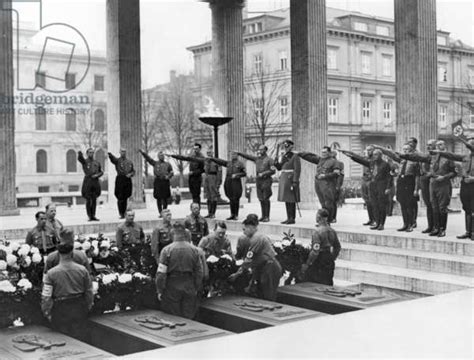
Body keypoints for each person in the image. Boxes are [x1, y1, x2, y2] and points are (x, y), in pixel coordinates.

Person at [41, 229, 93, 342]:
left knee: (61, 339)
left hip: (60, 306)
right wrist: (88, 305)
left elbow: (46, 294)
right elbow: (89, 289)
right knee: (81, 338)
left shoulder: (51, 266)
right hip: (79, 305)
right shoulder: (82, 264)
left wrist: (47, 311)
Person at [403, 140, 456, 237]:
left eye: (440, 144)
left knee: (442, 207)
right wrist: (404, 155)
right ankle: (435, 227)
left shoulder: (449, 157)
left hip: (443, 184)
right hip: (432, 183)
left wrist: (444, 177)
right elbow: (420, 161)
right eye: (437, 145)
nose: (438, 146)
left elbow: (454, 172)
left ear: (444, 146)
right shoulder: (431, 157)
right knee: (433, 206)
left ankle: (442, 229)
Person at [156, 221, 204, 319]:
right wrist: (196, 286)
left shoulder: (166, 250)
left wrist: (160, 290)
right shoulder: (194, 249)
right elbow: (199, 272)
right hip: (189, 285)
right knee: (189, 316)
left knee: (173, 317)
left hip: (172, 286)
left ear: (172, 233)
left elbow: (161, 274)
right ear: (185, 233)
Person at [228, 214, 282, 301]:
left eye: (244, 229)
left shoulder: (256, 239)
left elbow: (248, 260)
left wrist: (236, 274)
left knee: (268, 296)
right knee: (264, 293)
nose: (244, 232)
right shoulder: (258, 237)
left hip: (270, 268)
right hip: (266, 267)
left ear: (250, 228)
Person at [430, 136, 474, 240]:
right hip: (465, 184)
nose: (469, 146)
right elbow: (451, 155)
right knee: (467, 208)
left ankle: (473, 232)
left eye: (471, 144)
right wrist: (439, 152)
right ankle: (468, 231)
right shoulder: (465, 157)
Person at [374, 143, 420, 232]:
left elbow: (417, 176)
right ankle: (405, 224)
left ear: (411, 151)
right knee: (403, 204)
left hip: (409, 182)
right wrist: (395, 174)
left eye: (407, 149)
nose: (405, 151)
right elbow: (391, 154)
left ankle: (411, 224)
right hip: (401, 182)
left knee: (409, 205)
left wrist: (416, 189)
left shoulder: (415, 161)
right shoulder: (401, 160)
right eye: (404, 150)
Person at [400, 139, 437, 233]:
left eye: (430, 145)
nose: (428, 147)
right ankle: (430, 226)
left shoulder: (426, 156)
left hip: (431, 181)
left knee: (433, 205)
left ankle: (436, 227)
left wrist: (429, 174)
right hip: (423, 181)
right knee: (428, 204)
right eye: (427, 145)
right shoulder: (419, 156)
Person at [297, 146, 341, 223]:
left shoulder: (334, 162)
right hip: (318, 183)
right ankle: (324, 220)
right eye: (322, 152)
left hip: (328, 184)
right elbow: (310, 157)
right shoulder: (320, 160)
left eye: (325, 152)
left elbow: (337, 173)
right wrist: (299, 154)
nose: (323, 154)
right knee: (322, 203)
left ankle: (329, 220)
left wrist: (325, 176)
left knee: (328, 203)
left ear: (329, 153)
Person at [301, 209, 341, 286]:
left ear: (318, 217)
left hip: (320, 259)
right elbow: (337, 247)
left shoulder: (317, 232)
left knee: (317, 284)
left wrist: (307, 263)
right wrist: (332, 257)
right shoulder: (332, 231)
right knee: (328, 282)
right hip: (329, 257)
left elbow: (315, 251)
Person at [236, 145, 275, 222]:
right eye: (259, 149)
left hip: (266, 180)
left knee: (266, 198)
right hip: (259, 181)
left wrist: (264, 173)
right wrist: (239, 153)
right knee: (261, 199)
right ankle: (263, 215)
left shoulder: (270, 160)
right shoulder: (257, 159)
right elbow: (248, 156)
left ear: (265, 150)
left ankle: (267, 216)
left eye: (261, 149)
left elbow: (273, 171)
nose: (260, 151)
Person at [340, 146, 375, 226]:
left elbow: (360, 160)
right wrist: (348, 153)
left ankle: (375, 219)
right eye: (367, 150)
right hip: (365, 179)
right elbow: (359, 157)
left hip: (371, 180)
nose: (368, 151)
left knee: (372, 201)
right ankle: (371, 219)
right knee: (367, 200)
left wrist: (352, 156)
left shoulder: (374, 159)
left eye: (370, 150)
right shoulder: (366, 158)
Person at [208, 151, 246, 220]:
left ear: (237, 155)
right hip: (228, 181)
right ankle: (232, 214)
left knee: (236, 198)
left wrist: (237, 175)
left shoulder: (240, 164)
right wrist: (212, 158)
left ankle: (236, 214)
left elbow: (244, 173)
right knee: (230, 198)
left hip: (236, 182)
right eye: (231, 154)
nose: (232, 156)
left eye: (234, 154)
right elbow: (221, 162)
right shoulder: (229, 163)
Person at [274, 139, 301, 224]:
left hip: (290, 178)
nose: (286, 148)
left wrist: (295, 181)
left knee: (291, 199)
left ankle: (292, 218)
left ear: (291, 147)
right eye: (285, 147)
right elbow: (279, 167)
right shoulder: (284, 156)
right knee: (286, 199)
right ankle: (288, 217)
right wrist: (276, 162)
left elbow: (297, 169)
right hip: (284, 179)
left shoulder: (295, 156)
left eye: (288, 146)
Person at [139, 150, 173, 216]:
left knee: (165, 197)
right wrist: (143, 153)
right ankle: (160, 212)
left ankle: (164, 211)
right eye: (160, 156)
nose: (161, 157)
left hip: (165, 181)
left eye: (162, 155)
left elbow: (171, 172)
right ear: (158, 156)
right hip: (158, 181)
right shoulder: (155, 163)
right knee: (158, 198)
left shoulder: (168, 164)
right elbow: (148, 159)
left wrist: (168, 177)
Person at [108, 149, 135, 219]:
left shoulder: (129, 161)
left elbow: (133, 171)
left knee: (126, 197)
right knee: (120, 198)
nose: (123, 153)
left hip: (127, 179)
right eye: (122, 152)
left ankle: (124, 212)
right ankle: (121, 213)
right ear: (120, 153)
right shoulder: (117, 161)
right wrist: (110, 155)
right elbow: (113, 159)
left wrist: (131, 174)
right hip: (120, 179)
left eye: (124, 151)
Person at [78, 148, 103, 221]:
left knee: (94, 199)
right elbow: (80, 159)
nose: (91, 154)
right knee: (88, 199)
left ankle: (93, 215)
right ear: (87, 153)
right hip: (88, 181)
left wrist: (97, 175)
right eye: (90, 152)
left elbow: (101, 172)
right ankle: (89, 215)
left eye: (92, 152)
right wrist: (79, 154)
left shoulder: (97, 162)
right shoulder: (85, 162)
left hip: (95, 182)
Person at [333, 151, 345, 223]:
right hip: (327, 185)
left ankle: (333, 217)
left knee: (334, 202)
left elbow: (341, 176)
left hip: (335, 185)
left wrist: (338, 185)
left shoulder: (340, 164)